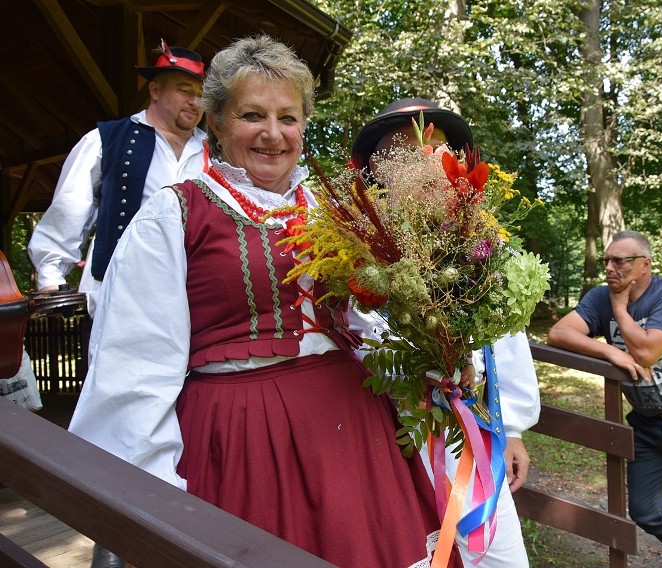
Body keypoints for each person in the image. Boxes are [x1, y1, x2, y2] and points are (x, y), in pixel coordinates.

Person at [68, 35, 460, 568]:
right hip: (243, 439)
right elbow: (134, 366)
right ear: (218, 122)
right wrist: (150, 500)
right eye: (252, 114)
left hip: (355, 435)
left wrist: (424, 364)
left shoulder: (332, 208)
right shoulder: (174, 214)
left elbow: (362, 320)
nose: (273, 134)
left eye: (289, 117)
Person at [350, 98, 541, 568]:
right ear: (378, 168)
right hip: (392, 434)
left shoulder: (479, 239)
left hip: (473, 438)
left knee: (498, 553)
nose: (423, 159)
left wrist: (511, 428)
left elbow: (505, 338)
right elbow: (356, 336)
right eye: (403, 151)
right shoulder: (355, 249)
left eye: (434, 147)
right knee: (414, 550)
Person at [546, 230, 662, 568]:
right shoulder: (599, 298)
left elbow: (644, 351)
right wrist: (608, 352)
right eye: (607, 261)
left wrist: (620, 309)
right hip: (647, 423)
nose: (610, 268)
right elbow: (558, 333)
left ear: (645, 265)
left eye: (620, 261)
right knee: (646, 509)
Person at [28, 39, 206, 317]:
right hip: (119, 295)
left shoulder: (215, 152)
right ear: (155, 90)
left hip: (196, 295)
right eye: (185, 91)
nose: (195, 102)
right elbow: (70, 208)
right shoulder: (106, 140)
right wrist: (51, 277)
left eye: (200, 94)